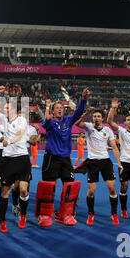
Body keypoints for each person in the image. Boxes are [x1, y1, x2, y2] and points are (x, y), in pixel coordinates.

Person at [37, 88, 89, 227]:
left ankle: (64, 214)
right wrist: (47, 116)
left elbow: (78, 112)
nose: (60, 110)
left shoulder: (68, 120)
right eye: (57, 108)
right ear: (53, 111)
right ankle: (45, 215)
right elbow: (44, 125)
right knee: (49, 187)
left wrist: (83, 99)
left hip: (66, 159)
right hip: (51, 159)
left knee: (70, 187)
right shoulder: (50, 122)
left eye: (61, 108)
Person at [0, 86, 31, 232]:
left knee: (23, 191)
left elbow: (19, 134)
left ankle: (23, 215)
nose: (3, 110)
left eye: (6, 108)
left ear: (12, 109)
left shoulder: (21, 120)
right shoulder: (3, 120)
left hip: (22, 159)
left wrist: (9, 141)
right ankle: (2, 221)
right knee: (4, 191)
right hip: (7, 160)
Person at [75, 108, 123, 226]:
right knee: (91, 191)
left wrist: (119, 163)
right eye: (94, 116)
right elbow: (76, 123)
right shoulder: (88, 127)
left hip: (106, 162)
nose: (96, 118)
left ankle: (114, 214)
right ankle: (91, 214)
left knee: (112, 189)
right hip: (92, 162)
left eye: (98, 116)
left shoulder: (108, 130)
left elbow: (114, 147)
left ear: (102, 118)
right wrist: (86, 113)